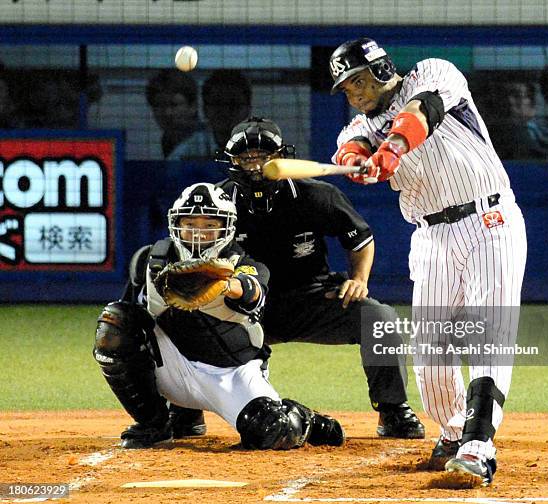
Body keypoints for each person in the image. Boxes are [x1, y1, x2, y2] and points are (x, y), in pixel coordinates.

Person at [329, 38, 527, 485]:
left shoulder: (433, 73)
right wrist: (359, 161)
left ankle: (479, 446)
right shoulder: (358, 124)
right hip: (431, 236)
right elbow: (351, 146)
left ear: (382, 70)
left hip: (488, 219)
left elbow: (418, 115)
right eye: (345, 87)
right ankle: (456, 432)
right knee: (430, 355)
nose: (353, 93)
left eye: (358, 80)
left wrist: (391, 151)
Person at [93, 182, 345, 450]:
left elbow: (252, 292)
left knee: (273, 431)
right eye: (190, 225)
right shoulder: (149, 261)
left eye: (209, 226)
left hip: (232, 373)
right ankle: (156, 424)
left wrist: (222, 285)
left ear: (226, 229)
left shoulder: (246, 264)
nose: (198, 234)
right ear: (176, 225)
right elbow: (130, 318)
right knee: (115, 324)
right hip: (173, 366)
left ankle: (306, 420)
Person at [217, 116, 426, 440]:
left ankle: (393, 410)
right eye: (247, 158)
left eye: (264, 157)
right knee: (186, 319)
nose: (256, 166)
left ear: (282, 157)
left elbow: (360, 240)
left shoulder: (315, 195)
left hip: (312, 300)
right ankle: (183, 415)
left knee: (378, 318)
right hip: (246, 308)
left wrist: (359, 279)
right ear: (233, 162)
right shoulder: (218, 203)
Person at [146, 69, 213, 160]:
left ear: (193, 106)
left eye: (174, 105)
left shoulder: (207, 143)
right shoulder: (167, 140)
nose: (167, 113)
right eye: (160, 105)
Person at [201, 69, 252, 152]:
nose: (225, 112)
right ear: (204, 110)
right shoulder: (187, 151)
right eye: (218, 104)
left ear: (248, 109)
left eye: (233, 104)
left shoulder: (264, 150)